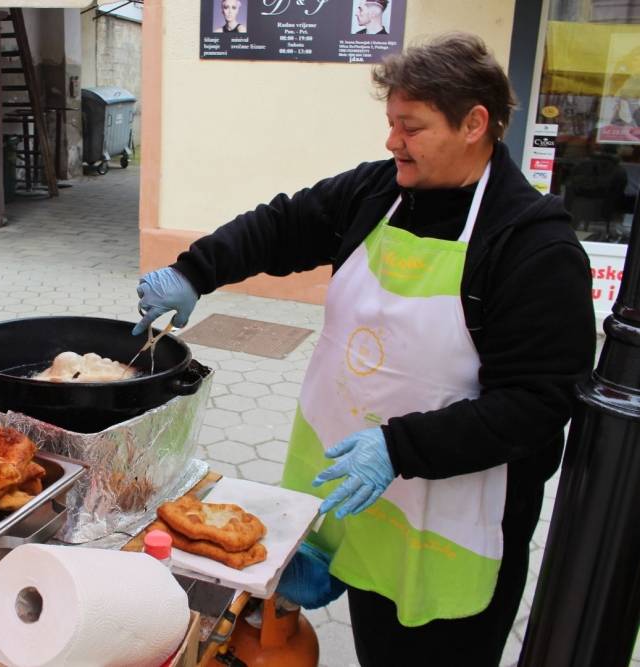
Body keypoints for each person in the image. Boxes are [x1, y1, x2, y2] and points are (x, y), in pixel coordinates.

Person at [133, 33, 595, 665]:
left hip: (450, 523)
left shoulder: (533, 246)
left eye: (410, 127)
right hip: (358, 497)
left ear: (474, 124)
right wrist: (194, 271)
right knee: (379, 646)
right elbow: (284, 224)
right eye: (390, 123)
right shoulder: (379, 192)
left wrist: (399, 447)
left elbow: (538, 403)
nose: (391, 142)